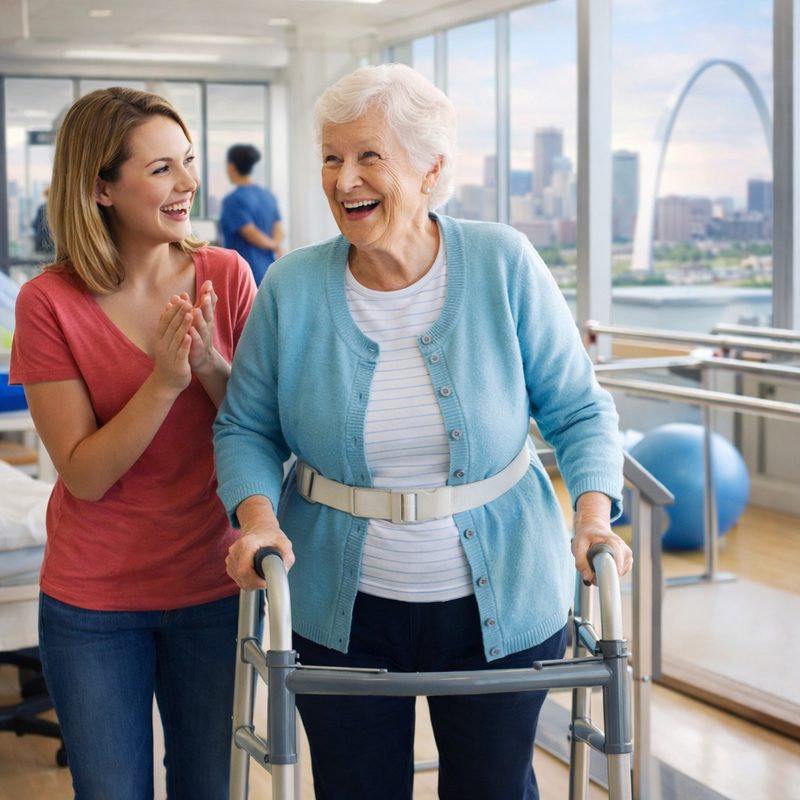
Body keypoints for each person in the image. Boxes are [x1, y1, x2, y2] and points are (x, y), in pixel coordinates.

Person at [214, 63, 632, 800]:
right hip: (337, 611)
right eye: (332, 158)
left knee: (493, 790)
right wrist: (254, 521)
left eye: (369, 156)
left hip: (503, 603)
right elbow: (245, 426)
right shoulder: (293, 287)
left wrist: (593, 516)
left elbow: (580, 408)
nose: (345, 181)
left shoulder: (502, 261)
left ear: (431, 168)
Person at [9, 87, 257, 799]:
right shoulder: (48, 302)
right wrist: (163, 381)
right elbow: (83, 475)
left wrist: (210, 364)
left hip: (215, 586)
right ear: (100, 188)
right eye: (161, 170)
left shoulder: (226, 276)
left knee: (210, 787)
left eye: (187, 163)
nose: (187, 184)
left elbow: (256, 430)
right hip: (95, 606)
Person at [219, 144, 283, 285]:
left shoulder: (233, 200)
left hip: (245, 273)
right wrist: (276, 245)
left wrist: (272, 245)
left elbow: (250, 232)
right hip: (269, 270)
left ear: (231, 167)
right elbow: (278, 229)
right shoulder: (268, 196)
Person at [32, 186, 53, 254]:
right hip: (51, 241)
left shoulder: (41, 208)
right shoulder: (54, 209)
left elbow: (35, 224)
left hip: (40, 240)